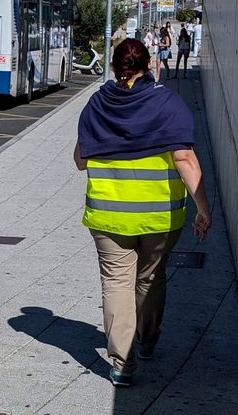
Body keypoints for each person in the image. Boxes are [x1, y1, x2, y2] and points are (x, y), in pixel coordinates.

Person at [73, 38, 211, 387]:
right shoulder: (167, 103)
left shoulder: (97, 104)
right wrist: (203, 208)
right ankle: (147, 340)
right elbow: (185, 159)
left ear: (115, 65)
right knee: (150, 278)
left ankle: (121, 362)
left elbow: (80, 160)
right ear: (148, 64)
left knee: (116, 282)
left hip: (108, 216)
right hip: (159, 218)